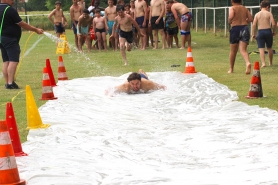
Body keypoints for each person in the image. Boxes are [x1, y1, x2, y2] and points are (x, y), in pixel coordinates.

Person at [0, 0, 44, 89]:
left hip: (2, 38)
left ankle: (7, 82)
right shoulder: (9, 10)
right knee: (13, 60)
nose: (13, 0)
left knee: (6, 61)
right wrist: (35, 29)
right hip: (10, 39)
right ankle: (10, 83)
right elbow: (22, 24)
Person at [228, 0, 253, 74]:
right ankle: (247, 62)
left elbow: (231, 16)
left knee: (233, 51)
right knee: (243, 50)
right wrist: (245, 21)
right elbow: (251, 19)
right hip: (245, 28)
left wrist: (230, 21)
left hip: (235, 28)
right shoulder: (244, 8)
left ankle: (231, 69)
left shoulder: (232, 8)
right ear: (241, 1)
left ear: (232, 1)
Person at [252, 1, 276, 67]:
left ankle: (263, 63)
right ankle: (270, 62)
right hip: (268, 31)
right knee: (269, 47)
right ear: (267, 7)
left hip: (260, 32)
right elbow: (273, 24)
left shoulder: (257, 14)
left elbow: (254, 25)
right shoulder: (269, 13)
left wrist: (253, 34)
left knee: (261, 48)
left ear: (261, 6)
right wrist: (274, 31)